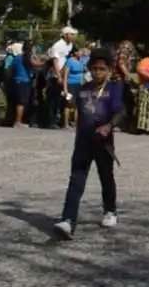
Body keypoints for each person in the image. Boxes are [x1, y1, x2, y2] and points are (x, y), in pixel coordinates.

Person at [53, 48, 123, 240]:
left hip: (103, 143)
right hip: (83, 142)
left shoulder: (113, 89)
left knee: (106, 177)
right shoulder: (84, 89)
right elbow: (79, 109)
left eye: (101, 69)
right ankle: (68, 220)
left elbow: (120, 112)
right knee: (76, 180)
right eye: (94, 68)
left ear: (108, 70)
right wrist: (69, 103)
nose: (97, 72)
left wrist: (109, 126)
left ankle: (110, 211)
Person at [46, 26, 76, 128]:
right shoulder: (57, 45)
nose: (73, 36)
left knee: (62, 99)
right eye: (71, 34)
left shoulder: (70, 45)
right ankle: (51, 122)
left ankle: (61, 120)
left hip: (64, 75)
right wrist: (58, 76)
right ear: (65, 35)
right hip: (55, 76)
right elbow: (55, 61)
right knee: (53, 99)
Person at [64, 47, 87, 128]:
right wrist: (65, 88)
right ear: (75, 52)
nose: (81, 52)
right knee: (69, 104)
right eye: (80, 51)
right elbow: (66, 75)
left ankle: (76, 123)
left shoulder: (81, 61)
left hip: (79, 85)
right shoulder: (70, 61)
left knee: (78, 104)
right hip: (71, 84)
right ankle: (66, 123)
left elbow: (84, 72)